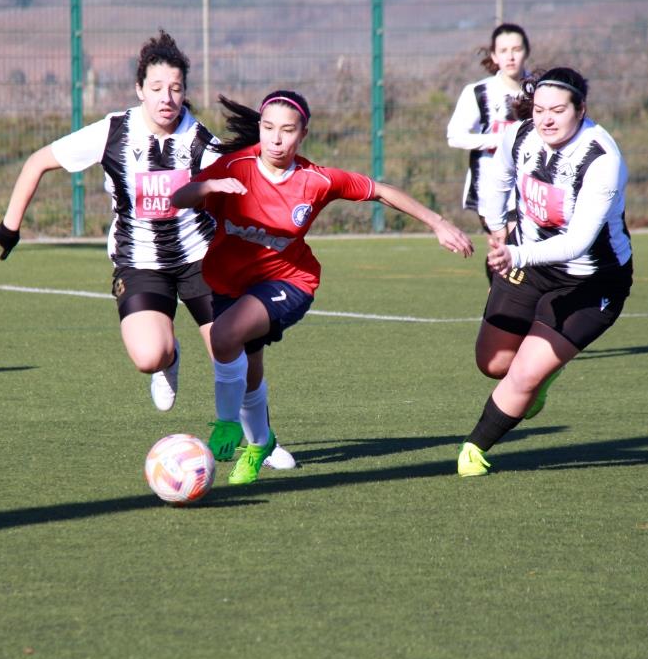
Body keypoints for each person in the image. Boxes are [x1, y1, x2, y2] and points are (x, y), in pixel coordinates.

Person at [0, 31, 296, 467]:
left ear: (185, 92)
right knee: (150, 355)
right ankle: (169, 358)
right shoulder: (113, 131)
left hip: (202, 260)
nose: (166, 98)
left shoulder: (200, 141)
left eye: (176, 88)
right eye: (156, 88)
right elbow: (37, 161)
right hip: (139, 263)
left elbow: (249, 185)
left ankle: (261, 441)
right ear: (139, 90)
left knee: (235, 353)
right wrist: (9, 227)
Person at [172, 90, 475, 485]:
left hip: (289, 281)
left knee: (225, 337)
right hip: (230, 283)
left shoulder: (316, 180)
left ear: (303, 134)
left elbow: (380, 190)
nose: (276, 139)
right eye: (268, 128)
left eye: (287, 131)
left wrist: (438, 222)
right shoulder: (235, 166)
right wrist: (211, 187)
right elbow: (180, 197)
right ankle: (260, 444)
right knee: (248, 370)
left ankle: (227, 423)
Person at [457, 67, 633, 478]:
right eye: (539, 110)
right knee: (493, 363)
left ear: (581, 109)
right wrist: (496, 225)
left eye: (557, 111)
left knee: (523, 374)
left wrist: (515, 254)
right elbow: (496, 176)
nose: (546, 120)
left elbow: (577, 243)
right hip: (530, 264)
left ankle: (474, 449)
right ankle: (543, 371)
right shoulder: (520, 136)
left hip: (591, 281)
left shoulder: (602, 160)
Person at [447, 23, 530, 280]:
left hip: (531, 186)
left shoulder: (540, 90)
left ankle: (502, 295)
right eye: (503, 50)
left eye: (516, 49)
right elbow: (455, 136)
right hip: (490, 187)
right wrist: (500, 140)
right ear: (494, 56)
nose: (510, 56)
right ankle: (499, 294)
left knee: (521, 250)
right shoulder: (479, 92)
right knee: (505, 245)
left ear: (526, 51)